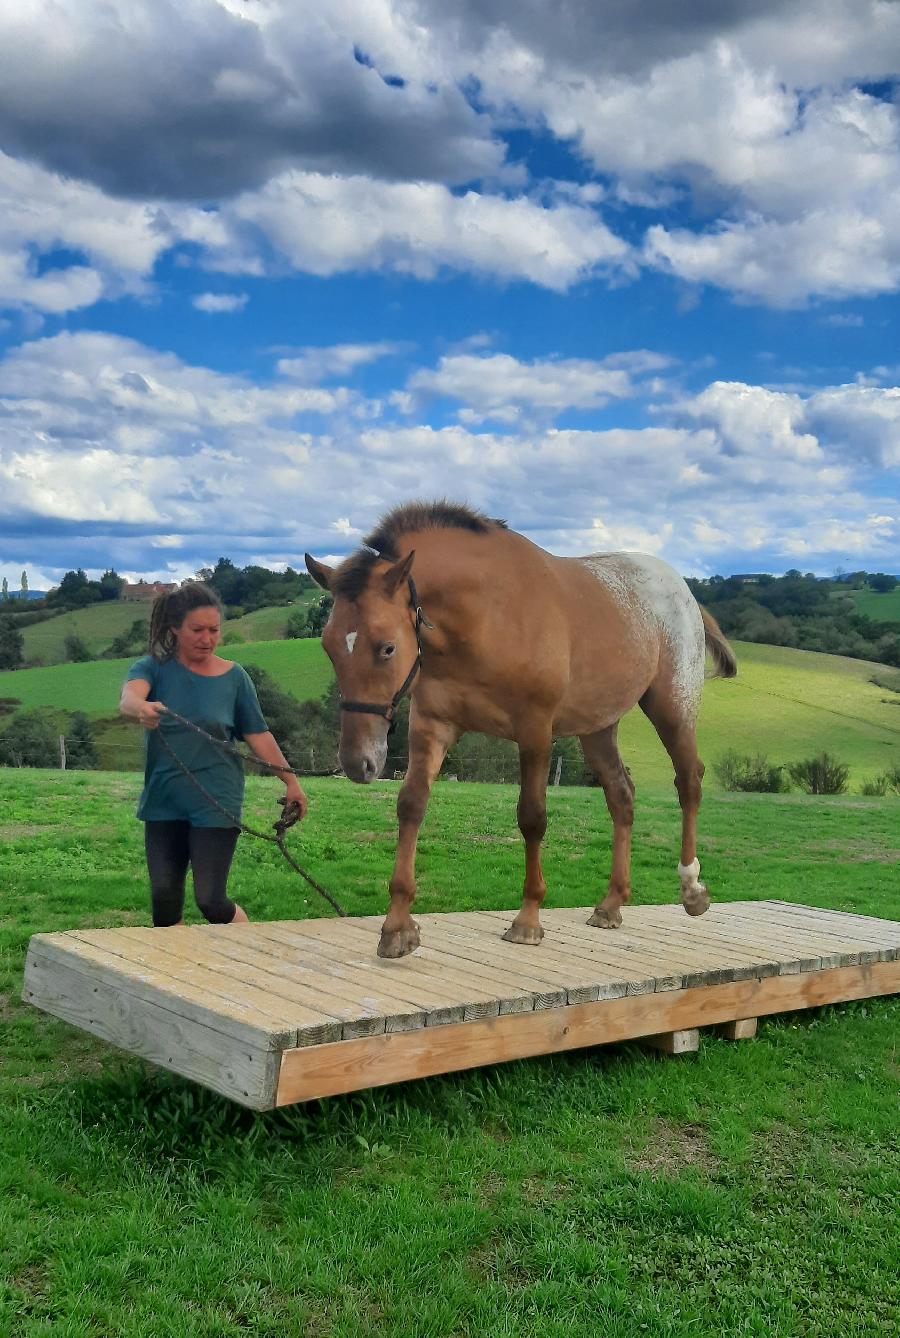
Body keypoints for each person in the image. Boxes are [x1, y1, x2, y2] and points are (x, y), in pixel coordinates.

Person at [120, 581, 307, 927]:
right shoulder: (152, 668)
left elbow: (259, 735)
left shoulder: (235, 678)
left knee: (211, 901)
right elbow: (129, 698)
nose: (207, 638)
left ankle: (246, 957)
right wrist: (140, 708)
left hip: (217, 799)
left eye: (214, 630)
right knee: (164, 898)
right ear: (175, 629)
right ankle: (172, 974)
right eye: (197, 630)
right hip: (164, 799)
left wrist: (291, 781)